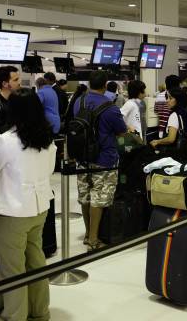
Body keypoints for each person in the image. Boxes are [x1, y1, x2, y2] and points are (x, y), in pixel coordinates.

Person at [0, 88, 56, 321]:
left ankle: (15, 316)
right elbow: (49, 170)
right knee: (36, 263)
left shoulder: (7, 140)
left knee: (12, 270)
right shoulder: (48, 139)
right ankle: (40, 312)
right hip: (39, 208)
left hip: (12, 212)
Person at [74, 71, 127, 251]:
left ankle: (88, 233)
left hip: (82, 158)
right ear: (105, 86)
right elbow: (121, 131)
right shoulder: (110, 108)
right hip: (104, 158)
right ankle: (94, 240)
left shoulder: (78, 102)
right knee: (99, 197)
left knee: (85, 195)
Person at [150, 87, 187, 163]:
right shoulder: (186, 112)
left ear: (178, 100)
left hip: (173, 156)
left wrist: (157, 141)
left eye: (170, 98)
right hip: (184, 154)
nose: (167, 101)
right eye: (167, 98)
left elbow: (171, 139)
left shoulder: (174, 115)